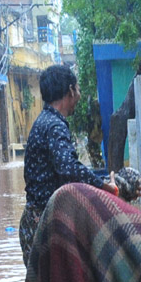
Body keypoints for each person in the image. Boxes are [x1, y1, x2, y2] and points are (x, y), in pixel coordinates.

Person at [19, 64, 117, 263]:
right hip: (44, 227)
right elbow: (69, 168)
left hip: (37, 222)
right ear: (71, 90)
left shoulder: (44, 121)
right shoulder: (54, 125)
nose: (79, 96)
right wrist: (104, 186)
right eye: (78, 89)